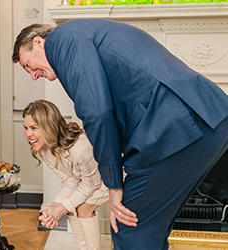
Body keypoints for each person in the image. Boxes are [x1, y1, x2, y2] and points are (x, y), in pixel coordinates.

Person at [12, 19, 228, 250]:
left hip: (176, 129)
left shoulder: (62, 39)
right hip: (209, 117)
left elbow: (97, 112)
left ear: (38, 42)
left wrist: (114, 187)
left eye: (27, 65)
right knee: (151, 229)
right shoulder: (84, 33)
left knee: (127, 230)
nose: (33, 75)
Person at [23, 99, 109, 250]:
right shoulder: (44, 149)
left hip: (113, 176)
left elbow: (91, 185)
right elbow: (71, 180)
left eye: (33, 128)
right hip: (90, 180)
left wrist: (59, 210)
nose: (28, 134)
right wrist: (55, 207)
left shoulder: (80, 148)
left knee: (83, 208)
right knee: (71, 206)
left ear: (49, 127)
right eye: (26, 128)